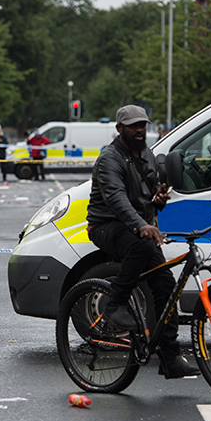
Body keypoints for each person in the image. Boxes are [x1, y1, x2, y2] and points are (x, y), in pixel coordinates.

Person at [85, 105, 199, 379]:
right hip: (106, 226)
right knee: (142, 245)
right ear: (119, 129)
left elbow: (149, 191)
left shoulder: (146, 154)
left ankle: (170, 357)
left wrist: (158, 199)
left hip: (137, 228)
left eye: (142, 126)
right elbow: (117, 199)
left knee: (166, 286)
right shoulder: (109, 159)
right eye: (133, 126)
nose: (139, 130)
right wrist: (141, 225)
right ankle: (114, 303)